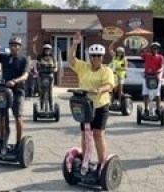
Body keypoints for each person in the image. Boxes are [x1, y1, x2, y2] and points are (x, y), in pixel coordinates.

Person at [68, 31, 114, 173]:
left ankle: (101, 164)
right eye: (93, 56)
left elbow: (110, 85)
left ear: (102, 57)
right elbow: (71, 60)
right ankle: (85, 161)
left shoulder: (106, 70)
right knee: (85, 134)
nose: (95, 58)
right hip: (86, 107)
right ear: (90, 57)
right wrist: (75, 44)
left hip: (100, 106)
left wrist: (99, 90)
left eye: (98, 56)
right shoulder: (84, 67)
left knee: (98, 134)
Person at [0, 24, 29, 150]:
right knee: (2, 117)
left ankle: (18, 143)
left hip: (17, 91)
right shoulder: (5, 58)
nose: (13, 47)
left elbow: (26, 75)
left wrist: (15, 81)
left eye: (16, 46)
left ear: (19, 47)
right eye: (11, 45)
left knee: (18, 117)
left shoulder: (24, 60)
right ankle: (3, 140)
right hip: (5, 91)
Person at [139, 41, 164, 115]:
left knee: (157, 94)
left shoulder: (161, 57)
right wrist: (142, 46)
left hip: (156, 78)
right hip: (147, 77)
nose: (155, 50)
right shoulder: (147, 55)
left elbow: (162, 66)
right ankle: (146, 109)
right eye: (153, 48)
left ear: (158, 50)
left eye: (156, 49)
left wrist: (161, 69)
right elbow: (140, 54)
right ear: (151, 49)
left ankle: (157, 109)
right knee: (145, 94)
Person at [32, 36, 58, 110]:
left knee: (50, 91)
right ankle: (41, 107)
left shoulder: (52, 57)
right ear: (43, 50)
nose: (47, 51)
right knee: (42, 91)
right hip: (41, 76)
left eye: (48, 50)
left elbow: (56, 65)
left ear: (50, 50)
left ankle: (51, 107)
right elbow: (34, 52)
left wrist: (55, 69)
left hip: (50, 76)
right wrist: (34, 43)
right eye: (46, 50)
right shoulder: (40, 57)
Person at [108, 39, 128, 105]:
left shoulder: (124, 59)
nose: (119, 53)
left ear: (123, 53)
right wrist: (113, 41)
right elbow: (110, 49)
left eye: (121, 52)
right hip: (113, 75)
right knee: (113, 89)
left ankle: (119, 101)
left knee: (120, 89)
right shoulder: (114, 56)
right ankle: (112, 101)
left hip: (120, 76)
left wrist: (118, 68)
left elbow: (125, 68)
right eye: (118, 51)